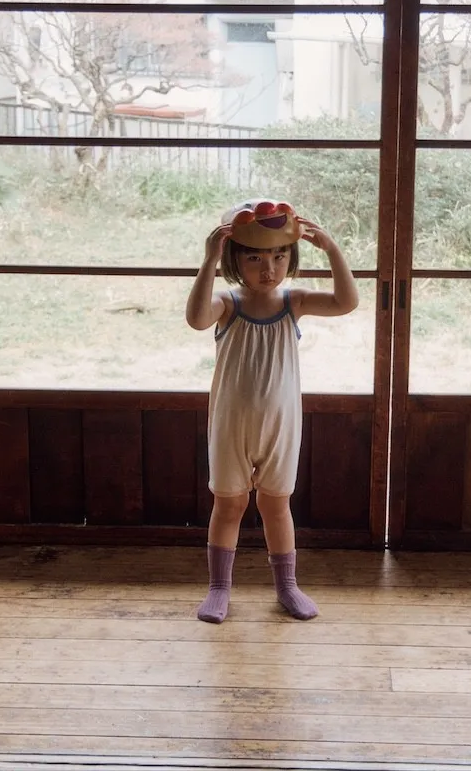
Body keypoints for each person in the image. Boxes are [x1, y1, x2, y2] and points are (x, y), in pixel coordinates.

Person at [184, 199, 359, 623]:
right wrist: (208, 262)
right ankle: (219, 588)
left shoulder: (293, 302)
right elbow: (196, 319)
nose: (270, 269)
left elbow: (345, 302)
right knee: (229, 506)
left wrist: (332, 249)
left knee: (277, 506)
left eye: (280, 256)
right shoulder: (227, 304)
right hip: (231, 426)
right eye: (255, 258)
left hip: (281, 426)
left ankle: (287, 586)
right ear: (234, 259)